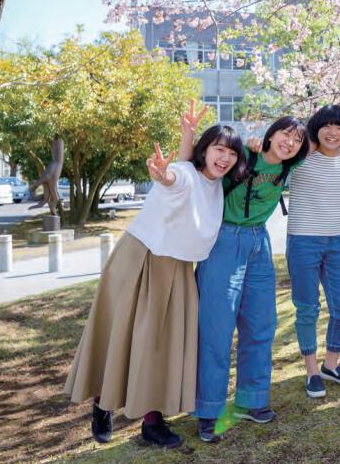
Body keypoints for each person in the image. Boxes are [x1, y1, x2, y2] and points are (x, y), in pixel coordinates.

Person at [64, 103, 246, 448]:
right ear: (205, 150)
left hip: (179, 268)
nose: (224, 158)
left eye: (232, 154)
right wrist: (163, 175)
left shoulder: (214, 184)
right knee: (122, 333)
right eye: (219, 149)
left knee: (164, 342)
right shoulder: (185, 173)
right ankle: (103, 404)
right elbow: (175, 178)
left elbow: (188, 169)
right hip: (142, 258)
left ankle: (152, 421)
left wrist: (188, 135)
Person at [188, 116, 309, 442]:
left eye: (297, 140)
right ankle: (208, 409)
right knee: (216, 329)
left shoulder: (289, 166)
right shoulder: (243, 156)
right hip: (224, 242)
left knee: (261, 325)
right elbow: (199, 164)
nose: (290, 143)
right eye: (285, 134)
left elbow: (328, 140)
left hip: (260, 243)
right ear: (270, 134)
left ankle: (251, 399)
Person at [286, 103, 340, 398]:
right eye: (327, 126)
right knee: (308, 309)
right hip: (303, 241)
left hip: (338, 242)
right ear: (316, 129)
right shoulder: (301, 154)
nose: (333, 132)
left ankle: (331, 365)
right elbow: (272, 159)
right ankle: (312, 371)